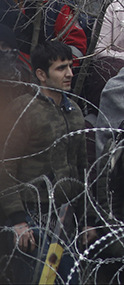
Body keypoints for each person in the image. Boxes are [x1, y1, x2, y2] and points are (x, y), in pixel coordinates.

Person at [0, 41, 96, 283]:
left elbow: (81, 167)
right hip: (33, 213)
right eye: (61, 68)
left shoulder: (73, 110)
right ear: (41, 74)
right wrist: (18, 220)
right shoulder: (24, 109)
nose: (69, 74)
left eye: (70, 67)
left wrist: (86, 220)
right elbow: (6, 166)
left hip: (65, 214)